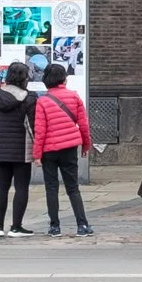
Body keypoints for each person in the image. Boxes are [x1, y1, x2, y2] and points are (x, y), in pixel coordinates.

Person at [32, 63, 95, 237]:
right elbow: (83, 124)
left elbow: (40, 130)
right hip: (69, 148)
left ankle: (54, 226)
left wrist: (37, 154)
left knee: (51, 188)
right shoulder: (74, 97)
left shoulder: (43, 101)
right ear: (64, 79)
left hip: (49, 151)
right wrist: (86, 145)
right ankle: (82, 225)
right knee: (73, 188)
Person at [0, 61, 37, 237]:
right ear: (25, 78)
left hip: (0, 148)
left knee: (1, 186)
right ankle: (16, 227)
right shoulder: (29, 98)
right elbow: (32, 126)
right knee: (21, 187)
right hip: (21, 149)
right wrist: (39, 147)